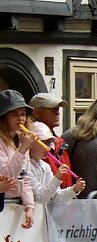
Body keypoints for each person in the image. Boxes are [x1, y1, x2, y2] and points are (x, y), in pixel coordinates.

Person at [0, 89, 36, 227]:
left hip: (15, 207)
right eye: (14, 114)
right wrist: (22, 150)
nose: (21, 119)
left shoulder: (21, 140)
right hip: (4, 204)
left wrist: (29, 206)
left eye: (23, 114)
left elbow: (25, 178)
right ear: (3, 117)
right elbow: (7, 176)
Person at [27, 121, 85, 203]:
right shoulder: (25, 166)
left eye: (49, 142)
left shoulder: (45, 166)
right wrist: (57, 178)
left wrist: (74, 189)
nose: (48, 147)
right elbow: (40, 198)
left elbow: (56, 197)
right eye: (44, 142)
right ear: (30, 143)